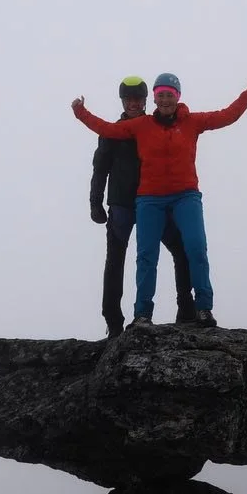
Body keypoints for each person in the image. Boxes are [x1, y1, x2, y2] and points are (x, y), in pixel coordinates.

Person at [72, 71, 247, 328]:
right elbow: (104, 145)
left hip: (177, 198)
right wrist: (80, 111)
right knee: (135, 258)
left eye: (169, 95)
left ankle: (196, 309)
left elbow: (226, 116)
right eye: (160, 95)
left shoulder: (187, 122)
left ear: (175, 97)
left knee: (192, 249)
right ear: (152, 98)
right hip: (139, 202)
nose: (164, 100)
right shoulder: (135, 127)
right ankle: (129, 318)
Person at [89, 76, 195, 339]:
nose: (133, 104)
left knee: (181, 250)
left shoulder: (151, 127)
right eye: (128, 99)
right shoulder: (113, 132)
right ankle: (114, 322)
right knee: (115, 260)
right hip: (122, 204)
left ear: (146, 100)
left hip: (155, 202)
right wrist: (95, 202)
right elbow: (100, 168)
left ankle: (186, 308)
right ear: (122, 101)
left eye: (138, 99)